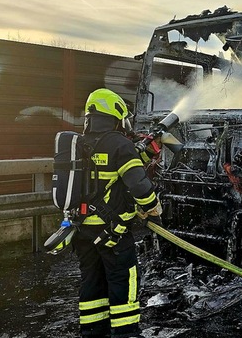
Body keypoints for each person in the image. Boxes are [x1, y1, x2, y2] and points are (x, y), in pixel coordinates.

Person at [73, 88, 162, 338]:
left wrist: (141, 153)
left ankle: (92, 331)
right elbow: (139, 186)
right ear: (115, 114)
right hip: (113, 234)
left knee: (92, 282)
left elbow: (105, 177)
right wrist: (152, 208)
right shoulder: (119, 144)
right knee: (123, 281)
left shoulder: (79, 143)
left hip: (83, 231)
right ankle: (126, 333)